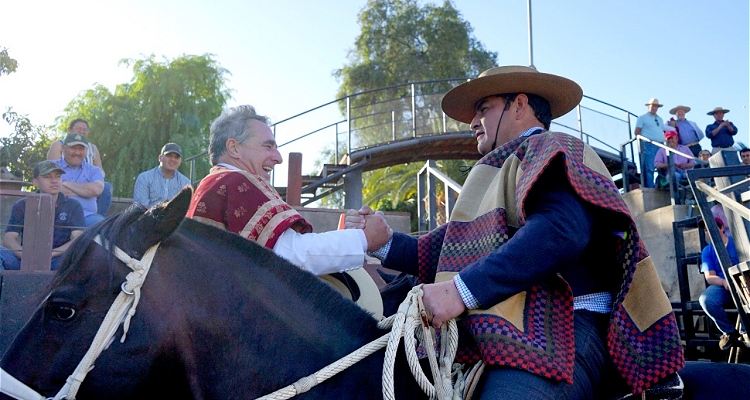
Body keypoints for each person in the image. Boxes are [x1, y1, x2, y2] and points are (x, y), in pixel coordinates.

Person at [348, 66, 683, 398]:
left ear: (519, 105)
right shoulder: (498, 168)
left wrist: (460, 291)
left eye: (484, 109)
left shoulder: (553, 147)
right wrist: (385, 242)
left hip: (568, 326)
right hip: (511, 329)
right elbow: (448, 249)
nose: (472, 122)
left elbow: (561, 232)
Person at [186, 105, 392, 276]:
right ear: (234, 148)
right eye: (268, 147)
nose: (278, 157)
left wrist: (343, 235)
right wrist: (364, 238)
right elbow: (292, 255)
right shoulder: (235, 182)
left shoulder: (213, 183)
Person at [0, 161, 84, 270]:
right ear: (36, 182)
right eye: (47, 177)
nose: (54, 181)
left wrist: (52, 254)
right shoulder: (22, 205)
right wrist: (26, 256)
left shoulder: (73, 205)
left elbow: (77, 239)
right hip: (23, 259)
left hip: (57, 259)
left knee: (80, 259)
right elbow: (9, 239)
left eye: (58, 177)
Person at [47, 118, 113, 217]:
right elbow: (52, 180)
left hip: (90, 179)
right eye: (78, 128)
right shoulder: (58, 145)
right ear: (69, 130)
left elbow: (99, 172)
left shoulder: (93, 148)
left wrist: (65, 183)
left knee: (106, 187)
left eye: (85, 129)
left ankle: (99, 218)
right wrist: (86, 191)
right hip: (61, 205)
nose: (82, 131)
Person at [697, 217, 746, 349]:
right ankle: (729, 332)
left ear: (722, 228)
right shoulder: (707, 251)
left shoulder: (737, 243)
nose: (708, 232)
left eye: (711, 228)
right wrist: (724, 282)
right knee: (706, 299)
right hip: (723, 287)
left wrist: (737, 282)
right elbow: (710, 277)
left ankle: (745, 330)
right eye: (706, 230)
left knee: (746, 292)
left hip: (743, 284)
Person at [54, 133, 106, 227]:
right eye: (73, 148)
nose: (77, 152)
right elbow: (49, 189)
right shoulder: (51, 167)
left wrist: (65, 183)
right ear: (63, 148)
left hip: (87, 217)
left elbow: (96, 190)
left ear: (86, 151)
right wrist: (85, 191)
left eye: (81, 149)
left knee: (106, 228)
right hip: (55, 215)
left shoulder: (94, 170)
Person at [133, 143, 192, 207]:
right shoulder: (144, 178)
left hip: (174, 217)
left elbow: (185, 209)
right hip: (148, 216)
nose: (173, 159)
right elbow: (140, 208)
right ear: (160, 158)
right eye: (169, 155)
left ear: (180, 161)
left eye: (176, 157)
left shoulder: (185, 183)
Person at [634, 98, 666, 188]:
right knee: (649, 168)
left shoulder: (660, 119)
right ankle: (650, 187)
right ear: (648, 106)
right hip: (648, 145)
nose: (654, 108)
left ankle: (661, 185)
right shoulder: (642, 118)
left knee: (662, 167)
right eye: (652, 106)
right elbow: (637, 132)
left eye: (656, 106)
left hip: (660, 145)